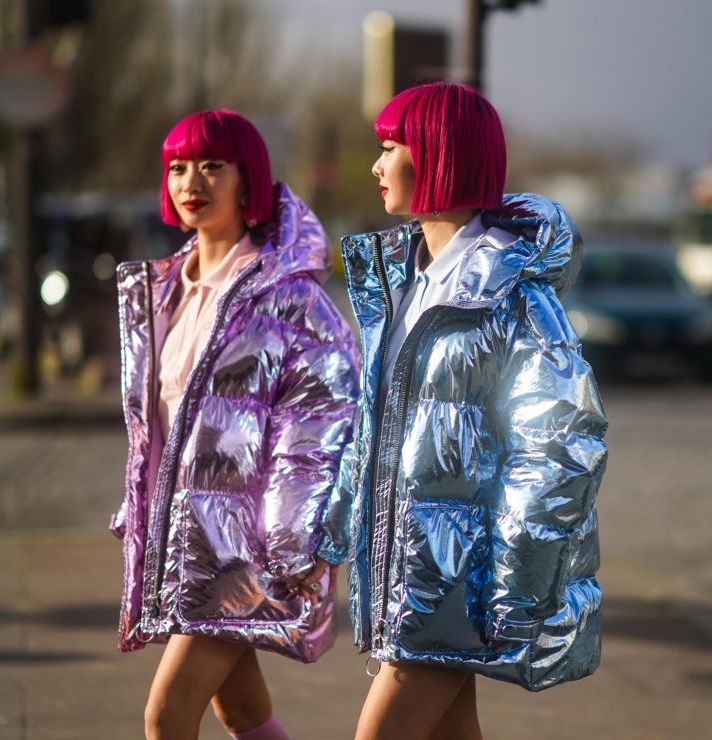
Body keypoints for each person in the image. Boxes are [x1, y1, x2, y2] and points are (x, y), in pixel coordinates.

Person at [329, 82, 607, 739]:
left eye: (390, 147)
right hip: (414, 574)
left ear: (437, 154)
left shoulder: (512, 295)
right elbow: (374, 429)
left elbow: (559, 444)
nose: (376, 166)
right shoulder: (409, 283)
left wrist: (517, 584)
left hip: (461, 579)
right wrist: (334, 529)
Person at [109, 109, 359, 740]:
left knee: (166, 717)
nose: (192, 180)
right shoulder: (162, 292)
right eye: (178, 167)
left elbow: (321, 421)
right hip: (185, 544)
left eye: (212, 166)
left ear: (249, 183)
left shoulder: (289, 298)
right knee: (241, 711)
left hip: (245, 553)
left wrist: (296, 541)